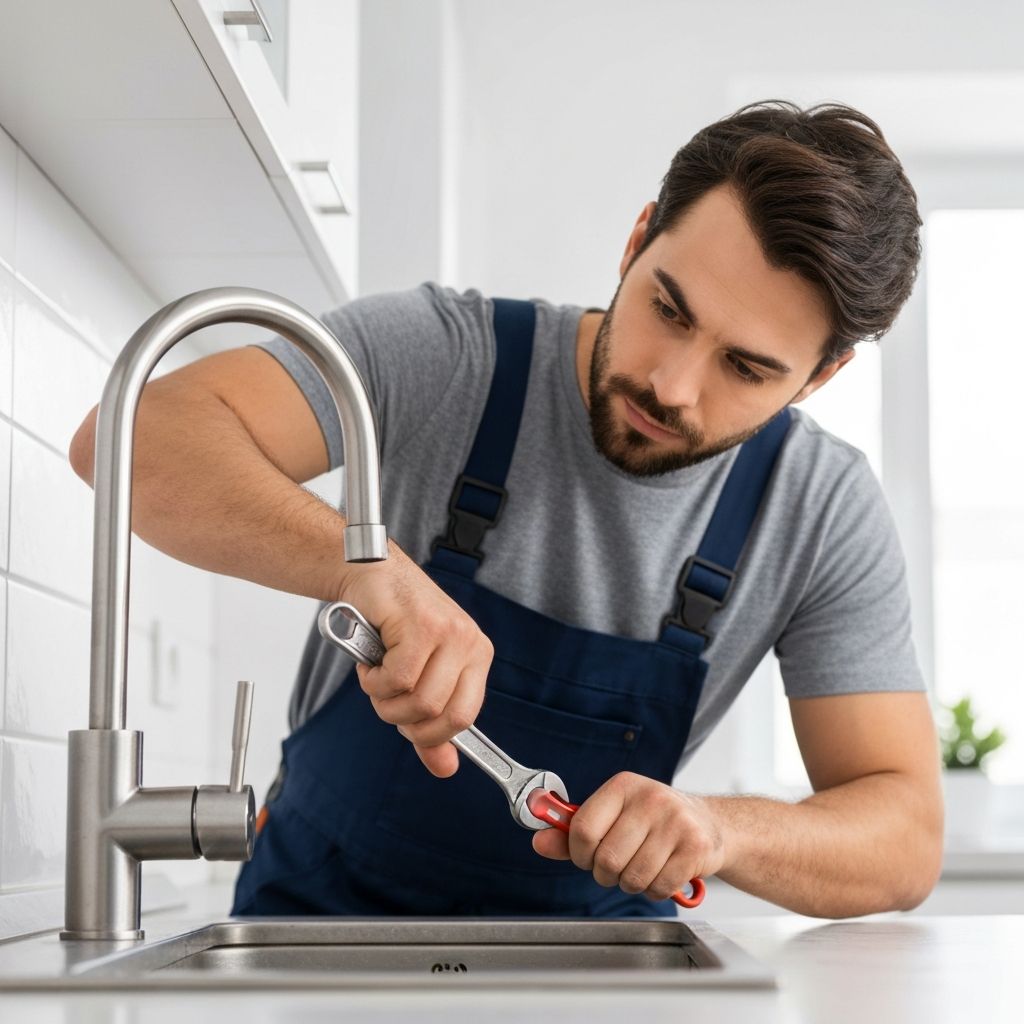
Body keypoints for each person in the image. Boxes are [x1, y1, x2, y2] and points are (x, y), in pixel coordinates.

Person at [70, 100, 943, 920]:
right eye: (668, 309)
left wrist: (722, 830)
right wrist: (365, 568)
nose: (671, 384)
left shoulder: (822, 511)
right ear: (637, 241)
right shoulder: (443, 356)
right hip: (312, 933)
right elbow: (126, 440)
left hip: (597, 983)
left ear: (819, 378)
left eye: (745, 369)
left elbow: (905, 837)